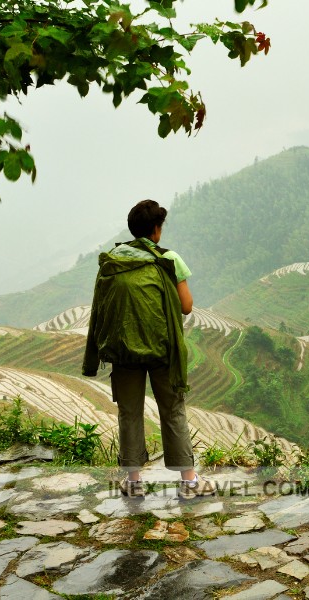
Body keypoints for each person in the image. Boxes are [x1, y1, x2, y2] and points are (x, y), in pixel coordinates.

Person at [83, 199, 215, 499]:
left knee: (129, 413)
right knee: (173, 411)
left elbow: (101, 307)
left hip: (124, 349)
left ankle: (133, 481)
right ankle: (189, 482)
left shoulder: (113, 260)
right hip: (162, 350)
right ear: (156, 230)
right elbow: (186, 306)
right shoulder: (168, 258)